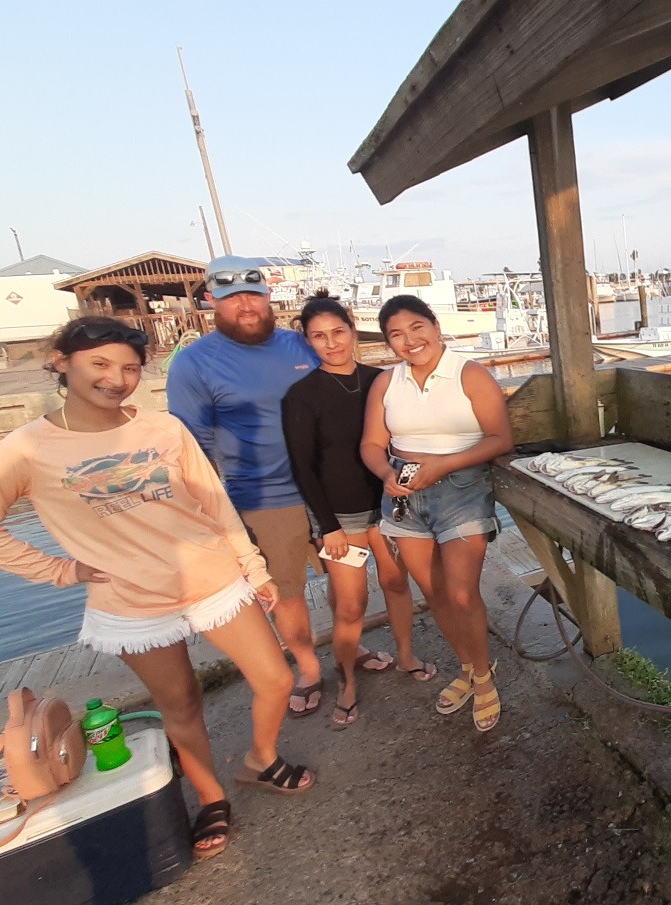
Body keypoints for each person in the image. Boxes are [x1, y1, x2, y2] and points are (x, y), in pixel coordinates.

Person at [0, 317, 317, 862]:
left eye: (128, 367)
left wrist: (254, 569)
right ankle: (209, 794)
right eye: (100, 364)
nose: (116, 378)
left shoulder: (164, 429)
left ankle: (260, 758)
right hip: (129, 603)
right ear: (62, 362)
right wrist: (60, 570)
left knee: (274, 677)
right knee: (180, 702)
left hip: (211, 578)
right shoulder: (26, 448)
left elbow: (213, 503)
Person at [168, 255, 391, 717]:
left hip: (333, 492)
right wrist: (211, 513)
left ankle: (349, 649)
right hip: (264, 500)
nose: (245, 306)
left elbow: (348, 393)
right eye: (231, 299)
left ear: (269, 296)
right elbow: (190, 448)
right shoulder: (193, 364)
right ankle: (308, 668)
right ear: (211, 300)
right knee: (286, 592)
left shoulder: (305, 344)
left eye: (253, 295)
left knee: (347, 586)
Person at [360, 295, 512, 732]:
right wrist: (384, 473)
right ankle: (466, 668)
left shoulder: (470, 374)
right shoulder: (387, 383)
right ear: (388, 343)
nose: (409, 341)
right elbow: (372, 443)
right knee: (436, 594)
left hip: (461, 489)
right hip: (404, 493)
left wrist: (443, 465)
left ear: (435, 325)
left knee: (463, 594)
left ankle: (483, 677)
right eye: (396, 334)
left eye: (416, 327)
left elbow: (500, 438)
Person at [283, 298, 436, 727]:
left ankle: (405, 656)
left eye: (337, 332)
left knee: (396, 582)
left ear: (353, 330)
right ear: (308, 341)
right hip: (339, 520)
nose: (331, 343)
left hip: (389, 506)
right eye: (318, 336)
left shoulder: (382, 381)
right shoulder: (301, 395)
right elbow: (303, 467)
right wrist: (325, 527)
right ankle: (347, 679)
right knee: (350, 604)